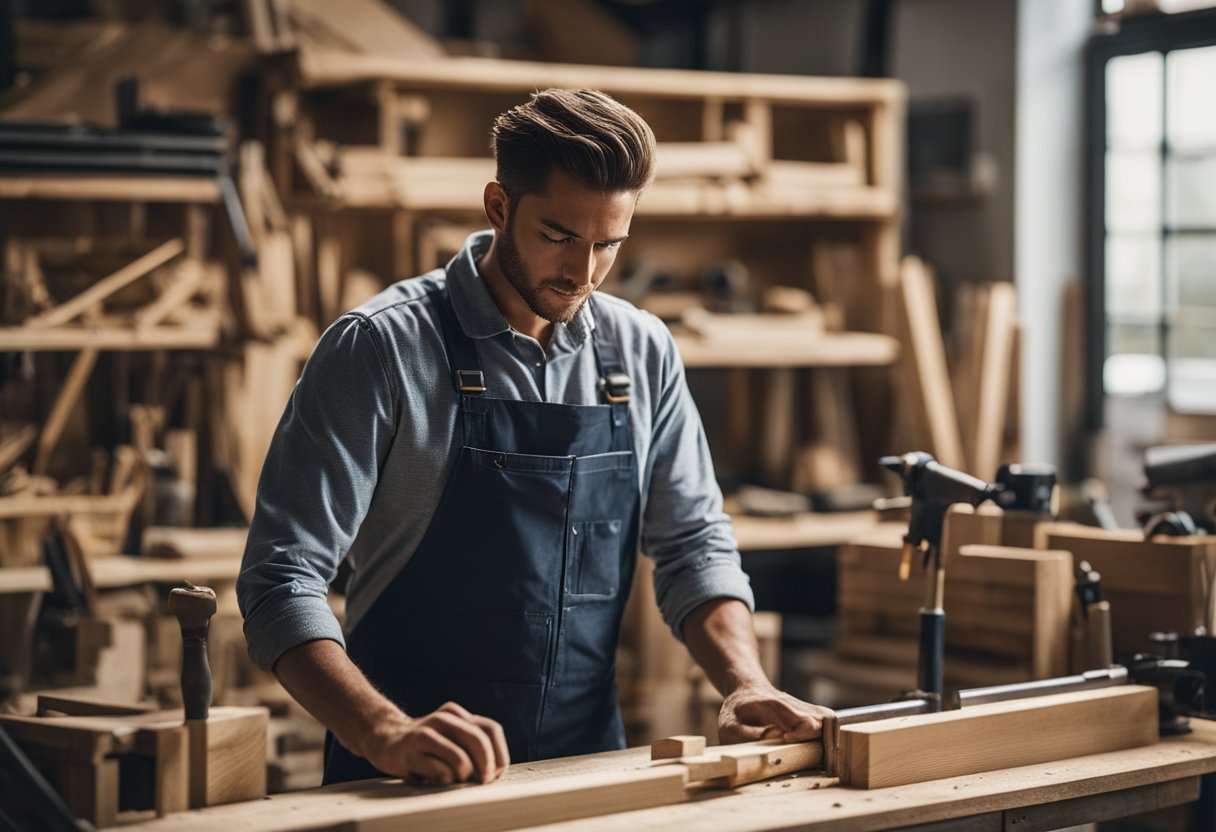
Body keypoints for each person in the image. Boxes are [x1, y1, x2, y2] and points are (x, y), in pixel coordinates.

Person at [237, 88, 833, 788]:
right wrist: (384, 730)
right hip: (404, 779)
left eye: (609, 243)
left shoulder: (640, 351)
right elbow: (280, 581)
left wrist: (742, 682)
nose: (584, 273)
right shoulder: (379, 350)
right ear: (498, 207)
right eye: (559, 236)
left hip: (587, 772)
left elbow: (693, 543)